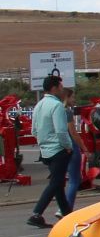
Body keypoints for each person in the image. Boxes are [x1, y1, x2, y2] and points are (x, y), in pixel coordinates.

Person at [27, 76, 74, 227]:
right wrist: (68, 146)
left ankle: (67, 214)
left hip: (46, 150)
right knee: (56, 182)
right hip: (58, 149)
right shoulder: (57, 106)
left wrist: (43, 142)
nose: (62, 89)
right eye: (60, 86)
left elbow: (34, 130)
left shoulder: (39, 105)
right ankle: (36, 213)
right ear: (54, 88)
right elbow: (61, 131)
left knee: (58, 183)